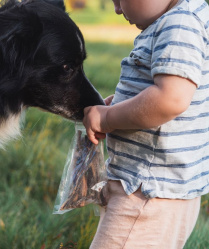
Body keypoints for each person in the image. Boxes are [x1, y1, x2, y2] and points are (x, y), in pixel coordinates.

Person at [82, 0, 209, 248]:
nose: (117, 9)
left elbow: (169, 99)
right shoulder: (189, 15)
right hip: (164, 190)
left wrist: (109, 118)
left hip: (145, 193)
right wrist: (121, 106)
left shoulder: (179, 24)